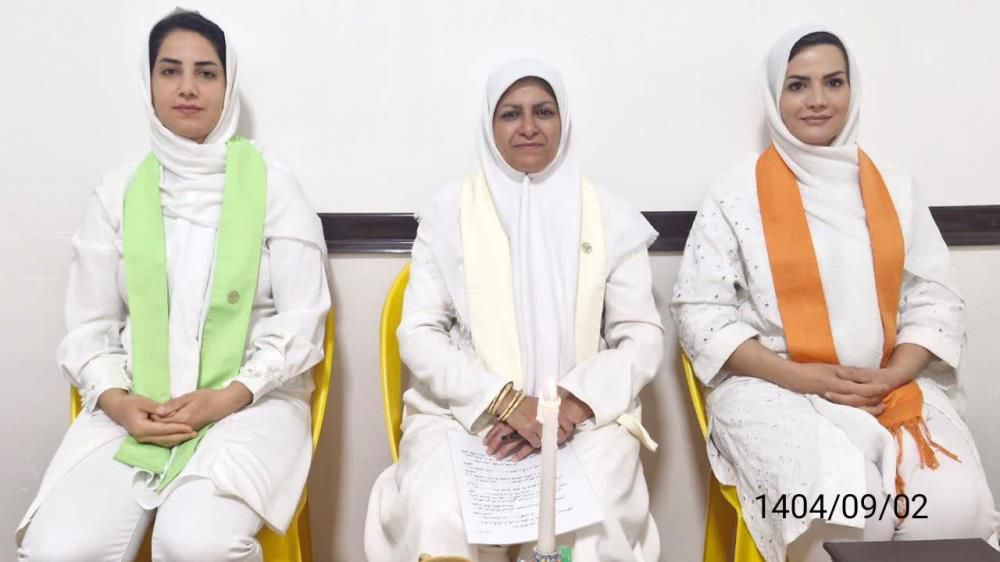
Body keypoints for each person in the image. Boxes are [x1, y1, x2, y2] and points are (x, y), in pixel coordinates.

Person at [670, 25, 999, 562]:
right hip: (775, 386)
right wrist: (805, 377)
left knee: (955, 510)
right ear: (774, 95)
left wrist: (891, 375)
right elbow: (701, 315)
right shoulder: (735, 193)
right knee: (849, 508)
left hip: (886, 384)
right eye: (798, 85)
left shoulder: (895, 186)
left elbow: (935, 299)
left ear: (853, 89)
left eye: (833, 82)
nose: (818, 100)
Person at [16, 10, 330, 561]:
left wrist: (227, 396)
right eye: (170, 71)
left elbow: (302, 324)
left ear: (228, 85)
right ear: (149, 82)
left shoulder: (276, 187)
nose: (187, 88)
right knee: (56, 549)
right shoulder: (116, 193)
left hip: (250, 404)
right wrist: (120, 403)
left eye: (206, 73)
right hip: (136, 405)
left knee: (196, 542)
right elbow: (89, 329)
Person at [364, 59, 663, 561]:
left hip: (583, 421)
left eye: (543, 112)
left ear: (563, 120)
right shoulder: (447, 212)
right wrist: (502, 402)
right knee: (439, 513)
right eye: (510, 114)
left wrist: (572, 405)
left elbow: (642, 335)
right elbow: (418, 331)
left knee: (592, 525)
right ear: (489, 124)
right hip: (469, 419)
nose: (528, 127)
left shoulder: (610, 214)